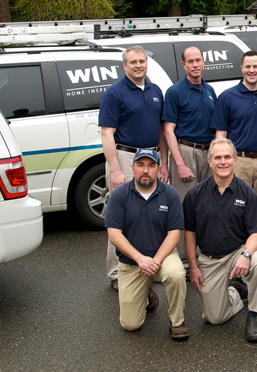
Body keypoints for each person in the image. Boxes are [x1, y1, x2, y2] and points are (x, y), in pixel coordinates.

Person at [183, 138, 257, 343]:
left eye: (227, 157)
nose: (223, 162)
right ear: (210, 161)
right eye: (218, 157)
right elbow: (189, 233)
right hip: (209, 259)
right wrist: (193, 266)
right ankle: (235, 292)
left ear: (235, 160)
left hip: (238, 252)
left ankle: (254, 315)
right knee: (214, 318)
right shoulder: (195, 195)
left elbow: (256, 232)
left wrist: (246, 255)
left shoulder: (247, 193)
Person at [99, 45, 167, 291]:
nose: (139, 65)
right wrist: (116, 170)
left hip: (153, 158)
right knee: (122, 213)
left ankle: (150, 265)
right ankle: (117, 272)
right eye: (133, 62)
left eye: (142, 61)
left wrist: (164, 163)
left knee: (152, 213)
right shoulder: (114, 93)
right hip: (126, 157)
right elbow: (107, 134)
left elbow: (161, 131)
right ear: (125, 66)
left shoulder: (155, 90)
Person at [105, 148, 187, 340]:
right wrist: (140, 259)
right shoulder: (119, 195)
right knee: (131, 325)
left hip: (163, 256)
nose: (145, 170)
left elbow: (174, 234)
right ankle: (144, 293)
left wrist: (155, 261)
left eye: (151, 165)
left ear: (158, 169)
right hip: (132, 263)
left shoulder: (170, 194)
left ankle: (177, 321)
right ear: (132, 168)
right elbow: (114, 235)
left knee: (176, 274)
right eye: (140, 165)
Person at [211, 51, 257, 281]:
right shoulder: (227, 97)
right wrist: (219, 162)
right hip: (237, 161)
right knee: (236, 211)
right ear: (241, 68)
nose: (251, 70)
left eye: (255, 66)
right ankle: (237, 261)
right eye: (247, 66)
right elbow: (221, 134)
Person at [162, 46, 217, 267]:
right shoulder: (175, 92)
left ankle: (203, 254)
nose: (195, 65)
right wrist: (179, 164)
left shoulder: (210, 91)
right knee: (185, 208)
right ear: (183, 65)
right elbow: (168, 130)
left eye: (198, 60)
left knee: (207, 206)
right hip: (185, 152)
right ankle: (184, 260)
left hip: (208, 154)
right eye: (190, 61)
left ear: (204, 63)